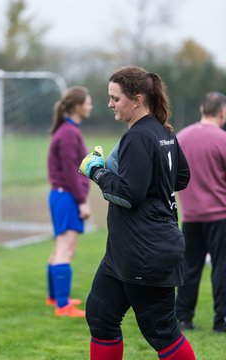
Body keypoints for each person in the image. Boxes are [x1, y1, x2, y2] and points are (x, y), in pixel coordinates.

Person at [79, 66, 196, 360]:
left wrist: (96, 171)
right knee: (101, 316)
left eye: (115, 98)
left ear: (137, 99)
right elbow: (179, 178)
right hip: (125, 250)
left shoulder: (139, 136)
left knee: (162, 331)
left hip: (145, 251)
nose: (110, 104)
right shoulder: (163, 130)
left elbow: (128, 194)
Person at [176, 92, 226, 332]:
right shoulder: (222, 139)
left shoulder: (181, 137)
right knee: (222, 268)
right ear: (222, 112)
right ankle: (222, 320)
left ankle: (183, 318)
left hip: (191, 216)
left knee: (188, 269)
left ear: (201, 108)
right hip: (220, 216)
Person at [46, 86, 92, 317]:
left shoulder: (68, 131)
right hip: (66, 196)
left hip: (62, 195)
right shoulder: (68, 133)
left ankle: (54, 297)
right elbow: (71, 171)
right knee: (66, 248)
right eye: (88, 102)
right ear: (77, 106)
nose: (91, 106)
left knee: (60, 247)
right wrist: (82, 200)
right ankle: (63, 306)